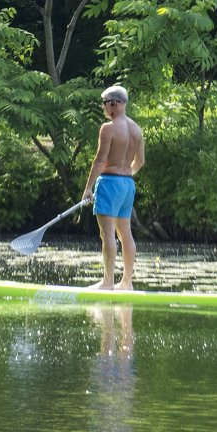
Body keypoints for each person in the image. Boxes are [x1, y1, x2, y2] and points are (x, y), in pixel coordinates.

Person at [81, 85, 145, 289]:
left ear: (114, 104)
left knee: (107, 234)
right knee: (125, 234)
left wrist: (88, 188)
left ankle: (107, 282)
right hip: (127, 185)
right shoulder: (136, 129)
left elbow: (100, 160)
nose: (103, 108)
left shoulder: (107, 128)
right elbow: (140, 162)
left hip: (109, 184)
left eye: (104, 104)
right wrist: (125, 175)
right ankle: (127, 282)